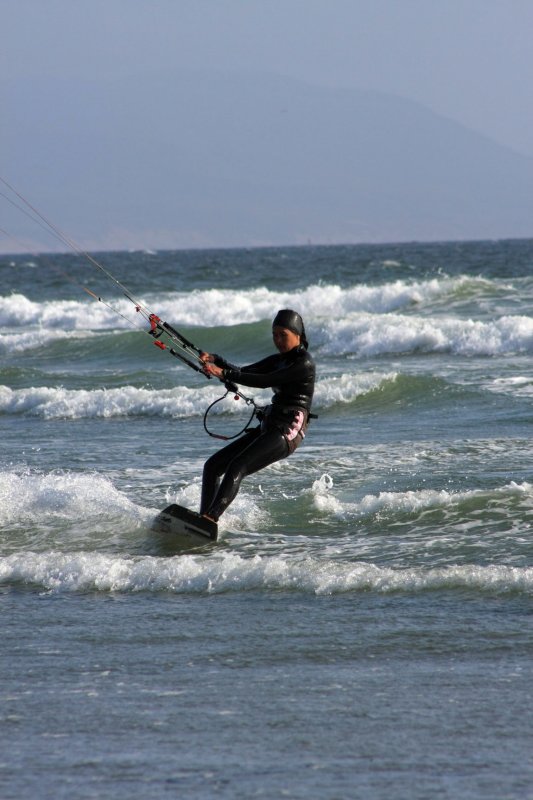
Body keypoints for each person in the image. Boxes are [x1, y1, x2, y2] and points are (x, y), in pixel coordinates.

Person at [199, 309, 315, 522]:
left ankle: (211, 517)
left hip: (289, 429)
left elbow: (264, 381)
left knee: (237, 466)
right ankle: (202, 520)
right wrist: (217, 360)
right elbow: (245, 371)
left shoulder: (304, 363)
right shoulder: (277, 360)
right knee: (213, 466)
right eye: (274, 335)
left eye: (283, 334)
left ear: (297, 334)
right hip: (271, 423)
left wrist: (223, 373)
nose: (278, 340)